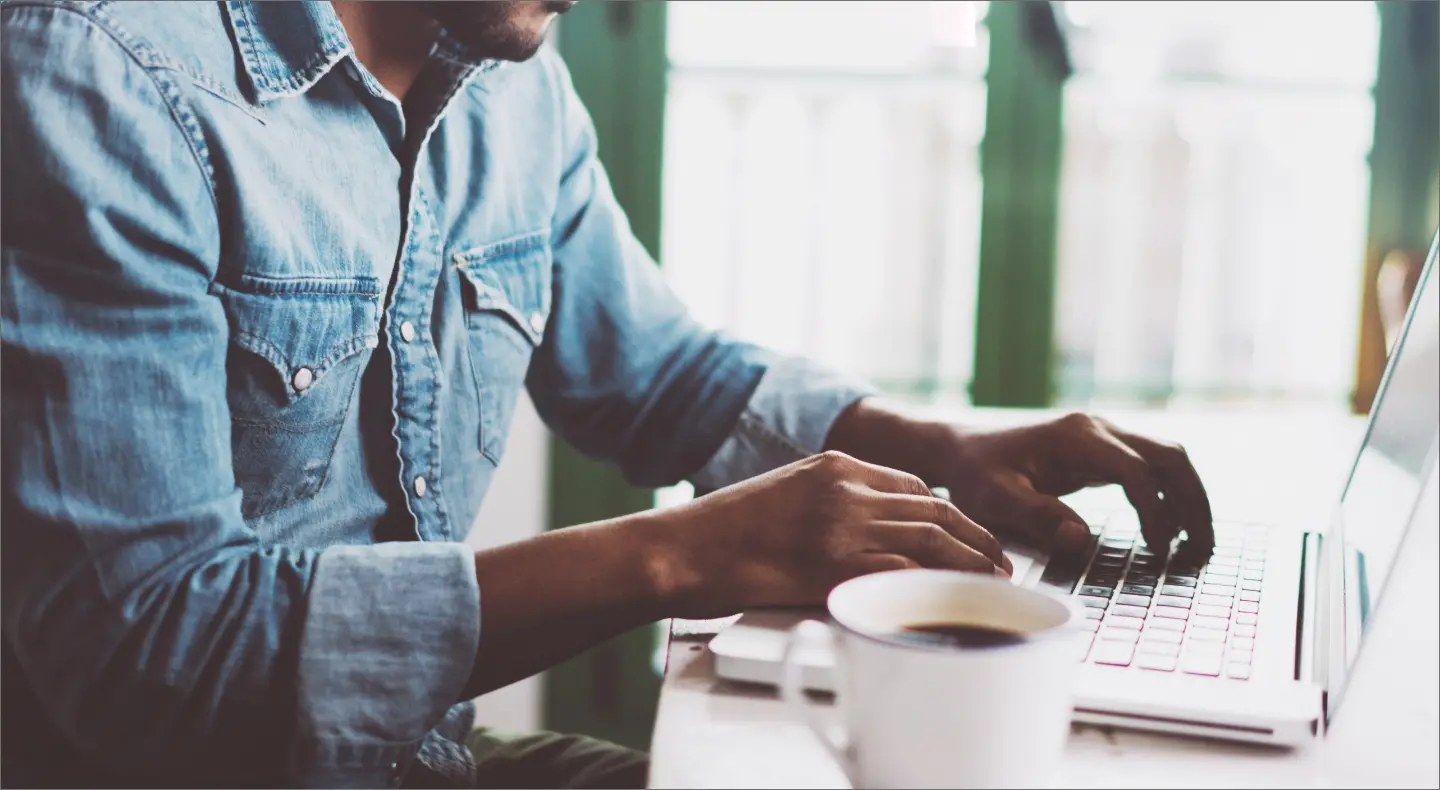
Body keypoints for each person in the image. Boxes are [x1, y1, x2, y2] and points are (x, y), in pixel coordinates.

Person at [0, 1, 1214, 787]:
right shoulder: (99, 73)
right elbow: (143, 653)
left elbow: (661, 375)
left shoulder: (509, 73)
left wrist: (941, 450)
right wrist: (679, 556)